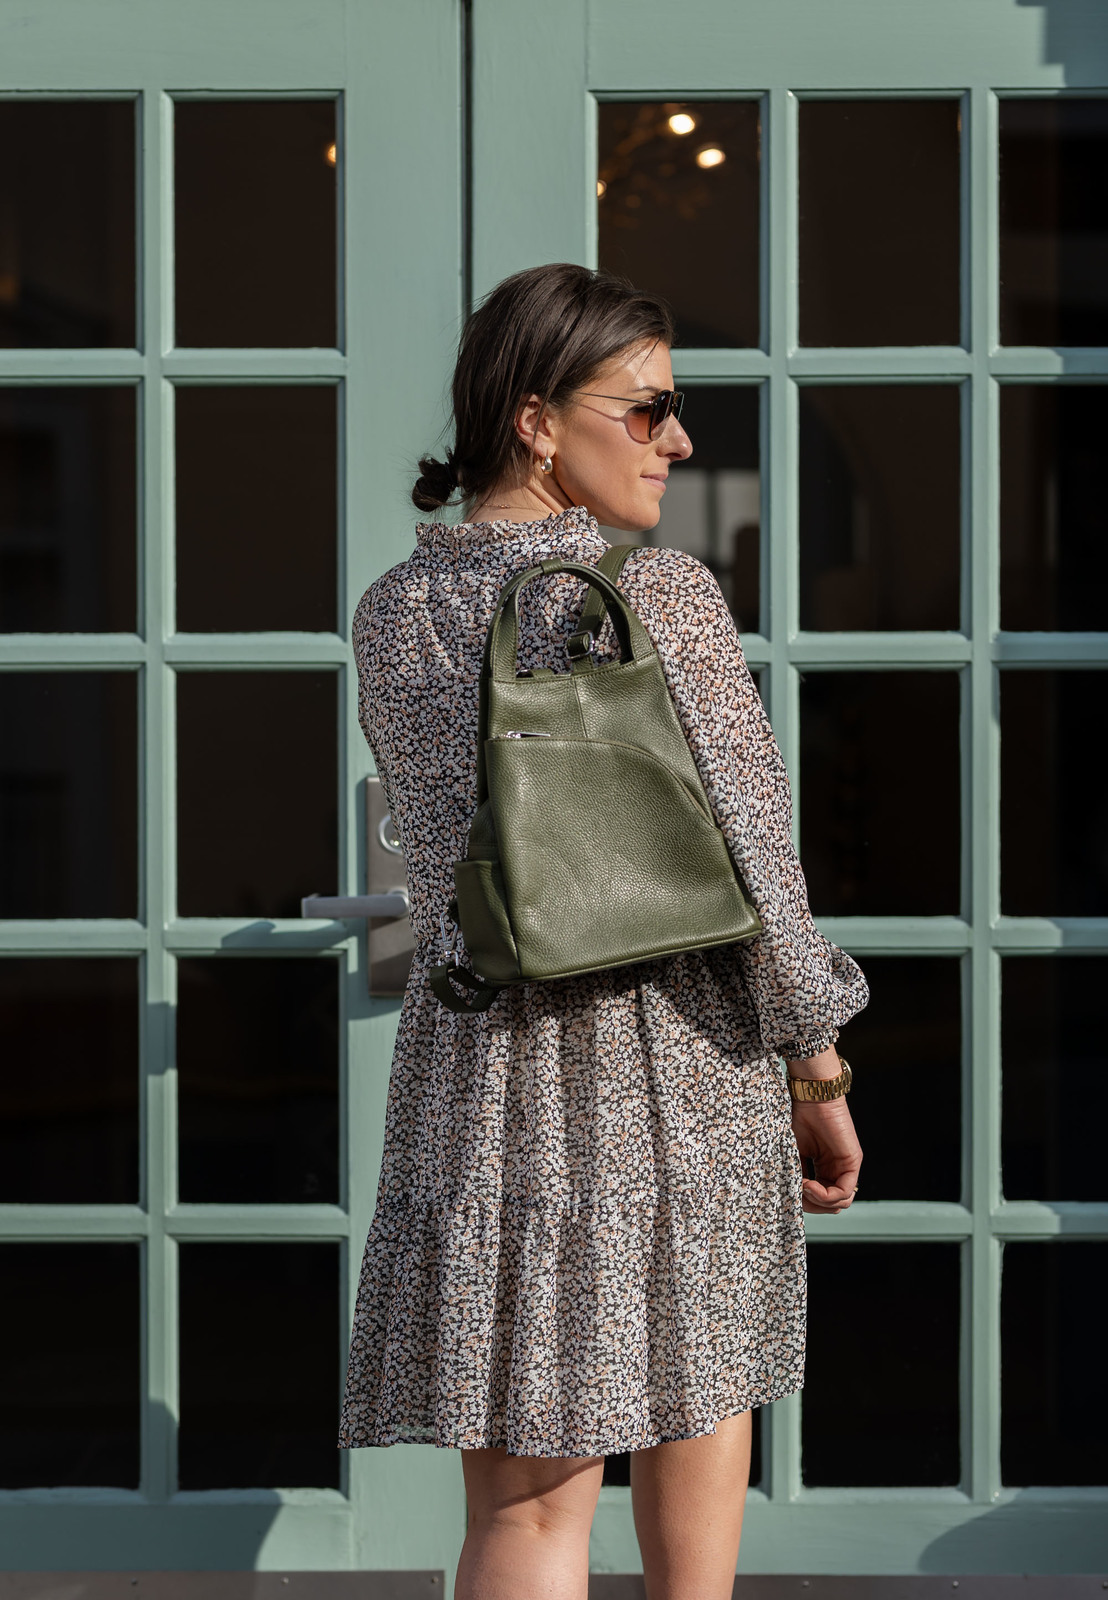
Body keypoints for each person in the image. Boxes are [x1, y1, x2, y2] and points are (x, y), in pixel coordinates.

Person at [338, 262, 867, 1600]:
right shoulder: (660, 595)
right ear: (535, 421)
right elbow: (758, 859)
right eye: (647, 409)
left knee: (523, 1516)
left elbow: (447, 856)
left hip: (486, 1078)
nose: (677, 440)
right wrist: (817, 1069)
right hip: (676, 1061)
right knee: (700, 1415)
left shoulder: (395, 611)